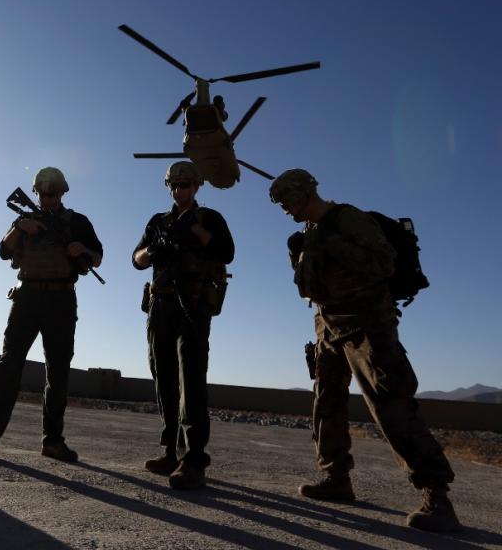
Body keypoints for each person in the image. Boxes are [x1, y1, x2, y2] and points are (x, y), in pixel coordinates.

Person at [269, 168, 460, 532]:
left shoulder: (347, 218)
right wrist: (300, 257)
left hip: (367, 324)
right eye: (280, 205)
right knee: (326, 403)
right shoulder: (310, 233)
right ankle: (336, 479)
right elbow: (308, 287)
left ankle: (437, 495)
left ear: (305, 192)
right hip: (327, 325)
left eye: (287, 201)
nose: (285, 210)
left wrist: (326, 243)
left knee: (390, 403)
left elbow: (382, 262)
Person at [0, 167, 102, 463]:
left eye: (52, 193)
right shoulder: (25, 219)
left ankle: (53, 441)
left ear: (62, 192)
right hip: (27, 296)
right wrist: (20, 229)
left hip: (61, 299)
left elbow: (97, 258)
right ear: (36, 194)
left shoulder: (77, 222)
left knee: (58, 372)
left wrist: (81, 249)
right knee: (9, 365)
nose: (47, 198)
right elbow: (3, 251)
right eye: (42, 193)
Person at [131, 161, 234, 489]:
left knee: (191, 378)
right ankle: (171, 452)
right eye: (175, 186)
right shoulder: (158, 221)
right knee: (163, 378)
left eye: (186, 185)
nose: (180, 191)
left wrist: (195, 230)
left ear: (196, 186)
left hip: (191, 304)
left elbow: (226, 252)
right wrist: (153, 250)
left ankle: (193, 459)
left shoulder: (209, 218)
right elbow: (136, 259)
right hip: (160, 304)